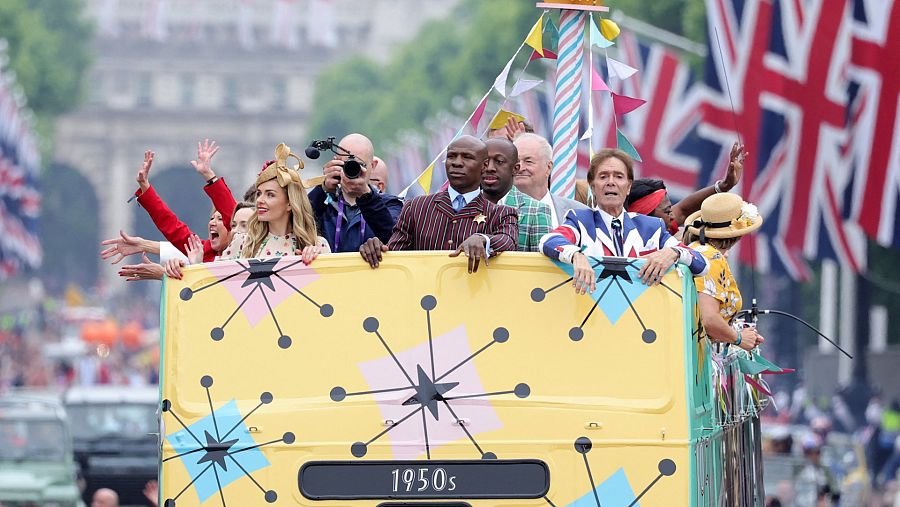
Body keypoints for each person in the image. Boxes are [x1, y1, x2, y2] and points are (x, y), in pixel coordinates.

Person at [540, 148, 709, 294]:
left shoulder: (651, 227)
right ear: (592, 186)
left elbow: (702, 265)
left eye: (619, 177)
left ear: (628, 187)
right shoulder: (579, 220)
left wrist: (674, 252)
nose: (611, 182)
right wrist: (575, 255)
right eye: (603, 176)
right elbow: (548, 241)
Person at [359, 135, 518, 273]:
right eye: (451, 156)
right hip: (425, 301)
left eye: (467, 157)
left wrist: (483, 239)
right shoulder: (416, 207)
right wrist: (376, 249)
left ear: (484, 166)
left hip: (474, 301)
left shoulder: (502, 214)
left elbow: (508, 241)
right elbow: (395, 255)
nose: (457, 163)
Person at [683, 192, 765, 350]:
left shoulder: (698, 249)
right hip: (693, 353)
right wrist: (739, 338)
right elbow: (708, 319)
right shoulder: (712, 258)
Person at [131, 140, 236, 262]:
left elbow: (230, 212)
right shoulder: (203, 251)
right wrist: (145, 186)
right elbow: (171, 225)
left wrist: (209, 176)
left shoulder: (243, 251)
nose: (213, 223)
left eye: (220, 219)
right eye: (212, 218)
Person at [221, 143, 329, 261]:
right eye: (259, 193)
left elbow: (330, 278)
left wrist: (315, 262)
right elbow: (219, 278)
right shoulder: (242, 243)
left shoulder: (317, 246)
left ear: (289, 203)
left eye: (270, 194)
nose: (260, 200)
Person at [307, 134, 403, 253]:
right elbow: (296, 223)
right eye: (346, 164)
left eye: (359, 165)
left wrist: (366, 196)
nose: (352, 170)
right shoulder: (324, 206)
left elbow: (395, 238)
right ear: (335, 161)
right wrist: (322, 189)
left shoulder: (391, 204)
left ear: (372, 166)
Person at [624, 142, 747, 234]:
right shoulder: (619, 241)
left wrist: (725, 185)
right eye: (667, 212)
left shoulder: (662, 230)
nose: (673, 217)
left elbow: (683, 210)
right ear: (645, 217)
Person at [481, 138, 551, 252]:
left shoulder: (536, 210)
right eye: (485, 162)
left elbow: (541, 266)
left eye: (499, 161)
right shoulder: (464, 205)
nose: (490, 168)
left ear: (515, 168)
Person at [513, 133, 588, 227]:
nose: (520, 167)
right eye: (516, 161)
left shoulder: (579, 213)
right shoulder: (496, 210)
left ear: (548, 167)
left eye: (528, 161)